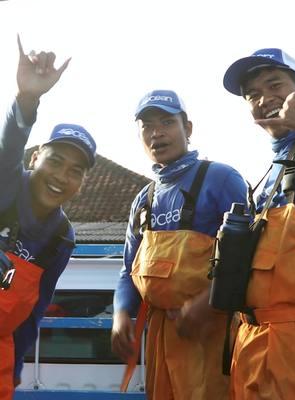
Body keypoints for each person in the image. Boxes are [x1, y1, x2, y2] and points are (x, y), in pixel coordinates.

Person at [111, 89, 248, 399]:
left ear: (187, 128)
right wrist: (120, 315)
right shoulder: (142, 201)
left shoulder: (222, 179)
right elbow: (127, 271)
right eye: (147, 126)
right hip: (160, 339)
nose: (157, 133)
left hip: (213, 334)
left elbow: (250, 257)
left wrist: (205, 303)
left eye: (166, 122)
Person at [0, 36, 96, 400]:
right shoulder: (6, 183)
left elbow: (34, 311)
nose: (60, 176)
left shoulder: (62, 237)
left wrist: (16, 372)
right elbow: (7, 147)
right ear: (35, 156)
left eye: (75, 170)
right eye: (55, 160)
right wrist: (27, 99)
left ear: (82, 184)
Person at [223, 48, 295, 399]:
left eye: (275, 85)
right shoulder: (268, 174)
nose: (265, 99)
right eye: (252, 94)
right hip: (251, 344)